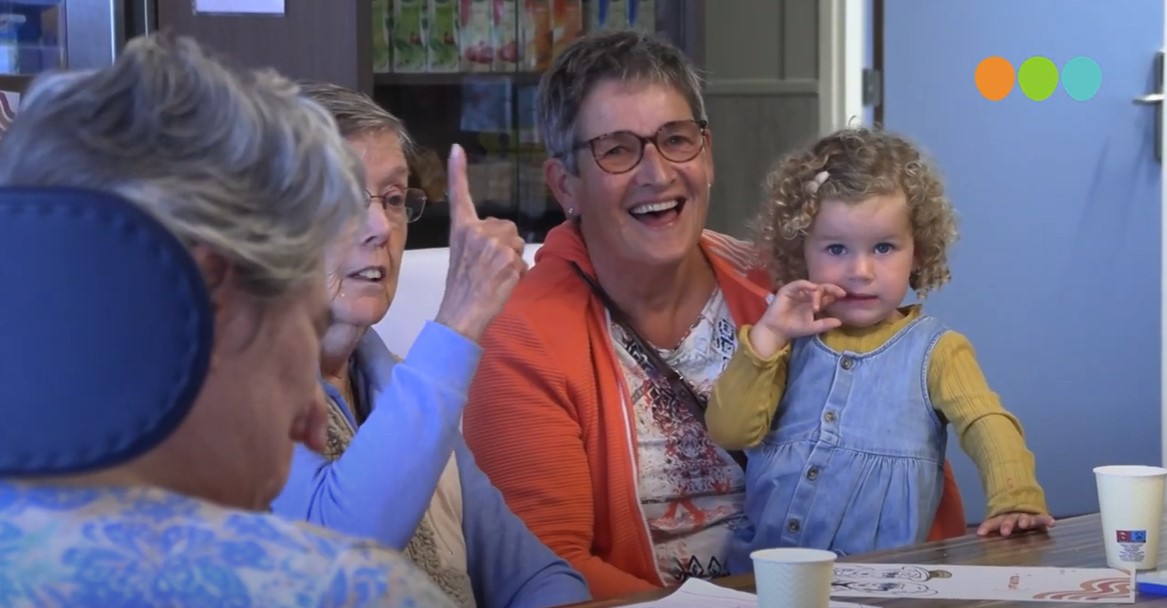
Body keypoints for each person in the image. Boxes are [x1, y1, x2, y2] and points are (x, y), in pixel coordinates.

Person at [462, 30, 967, 601]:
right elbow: (545, 571)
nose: (656, 173)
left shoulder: (788, 287)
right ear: (565, 185)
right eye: (618, 149)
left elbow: (911, 471)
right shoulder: (518, 341)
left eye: (676, 139)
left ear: (707, 155)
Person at [0, 34, 455, 606]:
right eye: (305, 328)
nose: (315, 422)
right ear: (213, 301)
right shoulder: (346, 590)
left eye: (394, 199)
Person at [271, 82, 590, 608]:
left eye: (394, 200)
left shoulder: (395, 381)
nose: (380, 227)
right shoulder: (223, 390)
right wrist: (460, 318)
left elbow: (539, 576)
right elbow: (338, 560)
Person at [705, 126, 1054, 565]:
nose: (861, 270)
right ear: (801, 253)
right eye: (836, 248)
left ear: (918, 252)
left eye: (884, 247)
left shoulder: (937, 351)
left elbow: (986, 423)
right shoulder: (786, 343)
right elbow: (730, 430)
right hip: (767, 579)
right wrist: (768, 336)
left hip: (888, 584)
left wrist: (1016, 499)